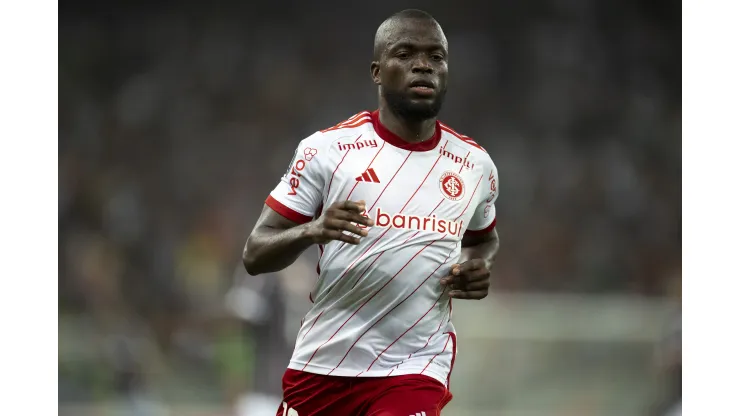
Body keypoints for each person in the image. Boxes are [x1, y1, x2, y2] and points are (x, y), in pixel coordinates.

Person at [243, 9, 500, 416]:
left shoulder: (474, 165)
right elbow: (255, 254)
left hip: (415, 367)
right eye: (406, 53)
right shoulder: (327, 152)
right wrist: (313, 231)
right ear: (377, 72)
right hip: (325, 365)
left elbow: (484, 239)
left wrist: (476, 264)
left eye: (436, 57)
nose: (423, 65)